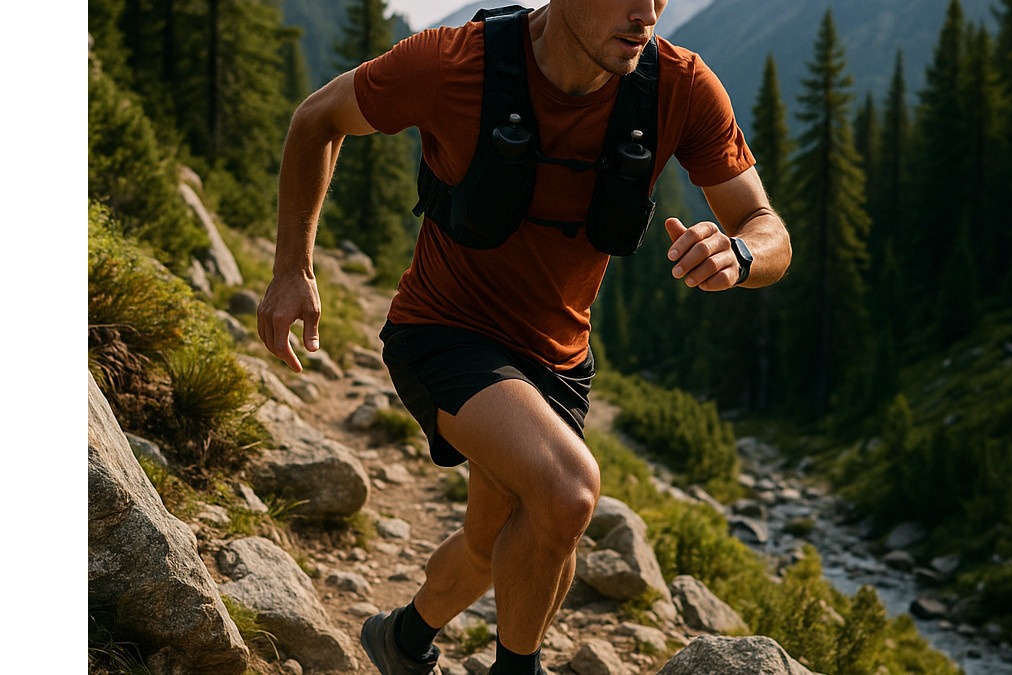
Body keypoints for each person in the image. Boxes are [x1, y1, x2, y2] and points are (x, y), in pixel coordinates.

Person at [257, 1, 791, 673]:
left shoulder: (678, 86)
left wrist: (739, 255)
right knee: (566, 491)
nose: (647, 13)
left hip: (557, 361)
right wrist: (291, 269)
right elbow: (318, 118)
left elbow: (766, 225)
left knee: (494, 539)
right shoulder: (458, 64)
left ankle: (402, 637)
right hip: (443, 330)